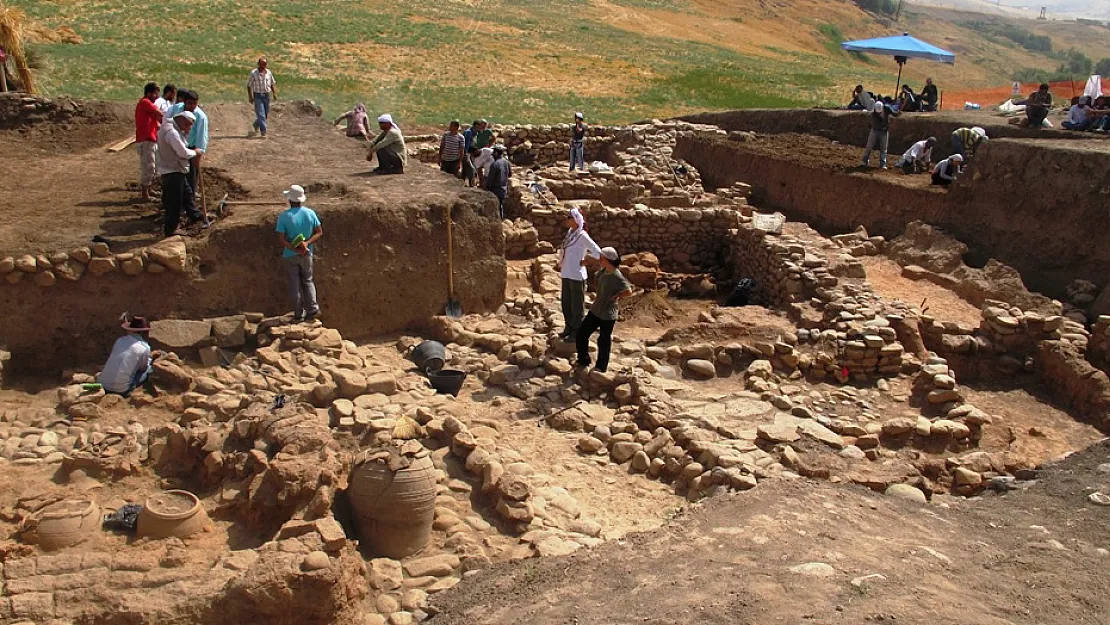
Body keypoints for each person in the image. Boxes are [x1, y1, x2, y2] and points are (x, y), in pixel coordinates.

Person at [575, 247, 632, 373]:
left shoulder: (617, 276)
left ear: (607, 259)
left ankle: (601, 367)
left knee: (603, 341)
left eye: (601, 257)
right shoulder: (603, 271)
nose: (599, 259)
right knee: (582, 334)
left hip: (608, 314)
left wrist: (616, 296)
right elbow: (596, 279)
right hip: (596, 309)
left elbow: (628, 291)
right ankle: (583, 359)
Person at [276, 184, 323, 322]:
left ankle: (298, 313)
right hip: (307, 254)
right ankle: (313, 309)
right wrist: (307, 244)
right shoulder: (310, 213)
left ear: (289, 200)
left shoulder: (284, 217)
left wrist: (294, 249)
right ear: (301, 199)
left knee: (294, 284)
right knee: (308, 281)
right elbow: (319, 232)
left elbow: (281, 239)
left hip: (290, 256)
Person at [156, 110, 204, 237]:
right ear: (181, 120)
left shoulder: (171, 128)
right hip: (173, 170)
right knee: (175, 202)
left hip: (175, 169)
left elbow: (183, 144)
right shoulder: (172, 133)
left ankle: (195, 215)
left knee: (187, 194)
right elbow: (183, 152)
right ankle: (171, 229)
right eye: (187, 125)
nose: (188, 128)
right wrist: (196, 152)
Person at [556, 207, 601, 341]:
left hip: (576, 275)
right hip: (566, 273)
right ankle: (568, 327)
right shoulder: (571, 233)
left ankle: (577, 332)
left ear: (575, 220)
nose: (566, 220)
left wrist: (587, 261)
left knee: (577, 306)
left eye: (569, 218)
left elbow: (597, 251)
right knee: (566, 303)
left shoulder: (582, 236)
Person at [98, 316, 154, 396]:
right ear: (145, 332)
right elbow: (142, 369)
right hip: (121, 390)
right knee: (149, 369)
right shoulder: (145, 348)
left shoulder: (119, 340)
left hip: (103, 384)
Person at [181, 91, 209, 217]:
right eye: (189, 103)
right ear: (184, 102)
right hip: (179, 146)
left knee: (191, 177)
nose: (191, 106)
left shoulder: (200, 117)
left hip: (192, 148)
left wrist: (198, 155)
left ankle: (190, 205)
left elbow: (201, 137)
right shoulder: (178, 110)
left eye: (194, 103)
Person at [135, 82, 162, 202]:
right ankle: (145, 194)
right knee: (149, 167)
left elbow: (156, 121)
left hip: (149, 139)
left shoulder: (147, 105)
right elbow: (159, 114)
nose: (157, 96)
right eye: (155, 93)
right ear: (149, 93)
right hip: (146, 139)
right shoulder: (145, 102)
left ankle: (149, 190)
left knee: (152, 166)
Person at [861, 101, 898, 169]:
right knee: (869, 146)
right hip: (875, 130)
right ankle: (864, 161)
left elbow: (894, 114)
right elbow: (880, 123)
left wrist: (897, 114)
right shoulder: (874, 114)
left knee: (884, 149)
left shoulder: (887, 108)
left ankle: (882, 164)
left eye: (880, 112)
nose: (879, 113)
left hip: (884, 132)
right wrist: (886, 125)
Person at [247, 57, 277, 137]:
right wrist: (250, 96)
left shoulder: (269, 72)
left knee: (265, 114)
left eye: (265, 64)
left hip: (266, 96)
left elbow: (272, 83)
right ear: (258, 64)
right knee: (261, 114)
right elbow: (249, 85)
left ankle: (255, 125)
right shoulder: (254, 73)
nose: (263, 65)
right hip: (258, 96)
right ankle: (263, 131)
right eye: (262, 64)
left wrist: (274, 93)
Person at [485, 144, 511, 218]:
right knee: (500, 206)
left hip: (495, 189)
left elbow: (490, 179)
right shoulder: (506, 162)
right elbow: (510, 174)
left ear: (496, 153)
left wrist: (487, 188)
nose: (492, 154)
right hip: (504, 188)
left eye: (493, 152)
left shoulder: (494, 164)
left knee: (494, 207)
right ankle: (501, 220)